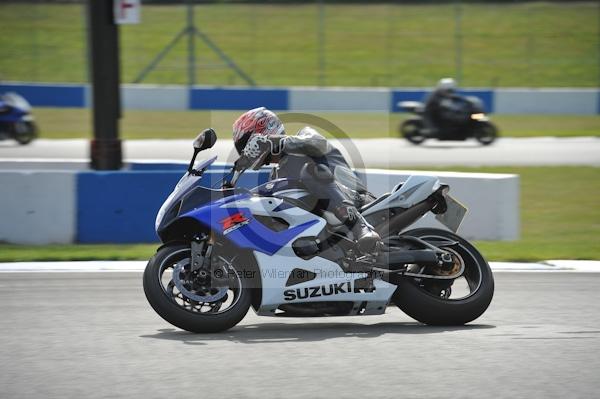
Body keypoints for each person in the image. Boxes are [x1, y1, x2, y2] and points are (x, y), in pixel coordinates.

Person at [232, 107, 381, 255]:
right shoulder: (275, 176)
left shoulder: (305, 135)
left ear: (265, 130)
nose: (245, 150)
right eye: (241, 147)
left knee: (310, 171)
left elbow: (317, 144)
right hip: (330, 231)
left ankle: (361, 227)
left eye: (246, 143)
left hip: (358, 200)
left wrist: (274, 142)